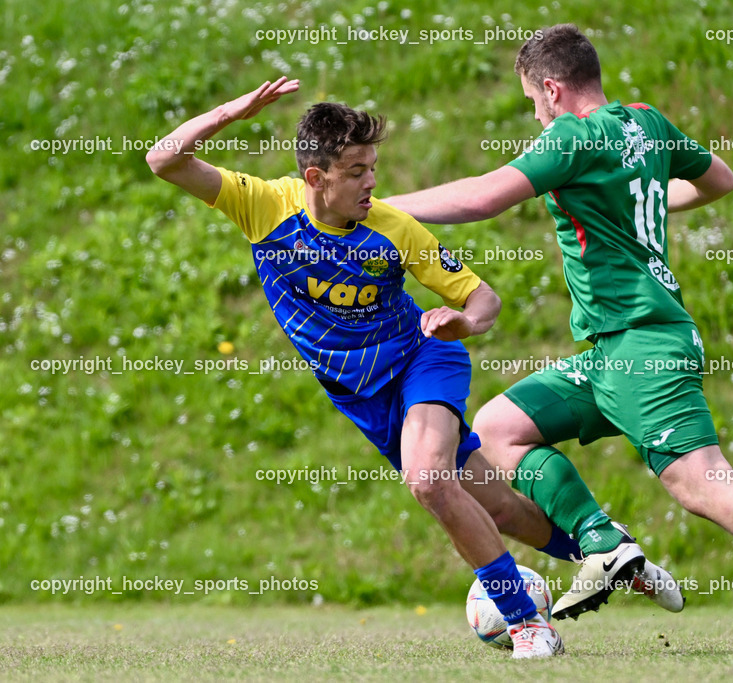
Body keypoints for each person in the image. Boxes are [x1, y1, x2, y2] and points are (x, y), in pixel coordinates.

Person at [385, 24, 733, 654]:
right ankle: (604, 543)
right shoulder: (645, 122)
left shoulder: (572, 136)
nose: (535, 116)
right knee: (499, 428)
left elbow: (483, 199)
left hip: (642, 345)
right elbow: (719, 179)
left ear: (553, 89)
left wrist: (382, 208)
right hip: (609, 354)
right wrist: (635, 201)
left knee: (700, 482)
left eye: (533, 102)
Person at [145, 77, 573, 658]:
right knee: (494, 504)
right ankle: (598, 554)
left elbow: (484, 300)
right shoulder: (265, 205)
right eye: (355, 171)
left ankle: (528, 625)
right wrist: (233, 112)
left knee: (428, 481)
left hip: (424, 358)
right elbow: (164, 159)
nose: (372, 181)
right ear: (316, 178)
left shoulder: (392, 227)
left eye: (373, 166)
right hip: (362, 396)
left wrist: (463, 324)